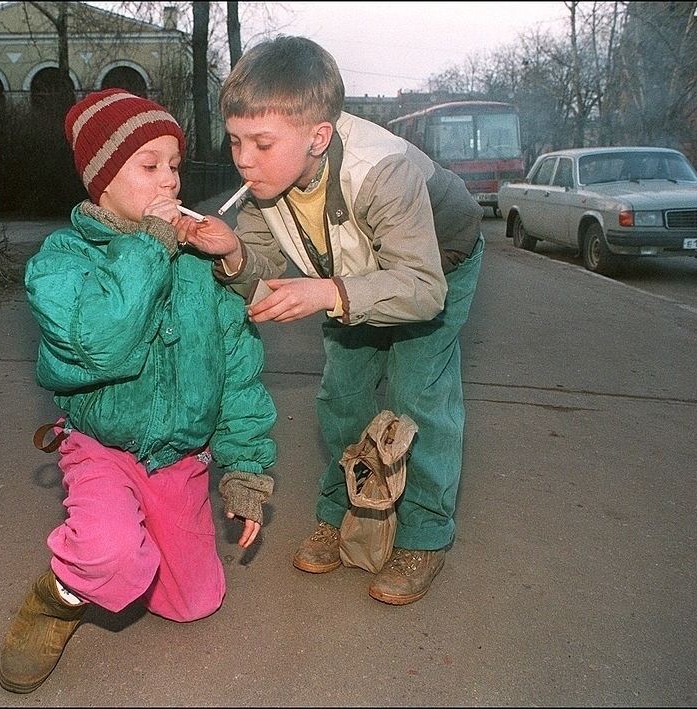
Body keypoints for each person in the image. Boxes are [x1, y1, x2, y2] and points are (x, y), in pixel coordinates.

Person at [177, 36, 484, 607]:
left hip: (437, 263)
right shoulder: (268, 184)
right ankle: (343, 509)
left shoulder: (381, 172)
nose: (243, 159)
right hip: (349, 274)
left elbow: (421, 290)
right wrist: (234, 255)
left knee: (420, 395)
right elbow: (264, 271)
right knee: (342, 396)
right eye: (235, 140)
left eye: (261, 143)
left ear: (319, 136)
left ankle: (424, 535)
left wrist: (326, 291)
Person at [0, 88, 278, 694]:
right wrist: (150, 246)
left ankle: (132, 542)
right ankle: (60, 595)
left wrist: (246, 471)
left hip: (178, 455)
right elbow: (103, 341)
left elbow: (237, 371)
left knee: (195, 602)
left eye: (174, 166)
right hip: (102, 444)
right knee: (112, 558)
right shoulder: (60, 262)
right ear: (100, 180)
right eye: (149, 167)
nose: (169, 182)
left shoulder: (197, 262)